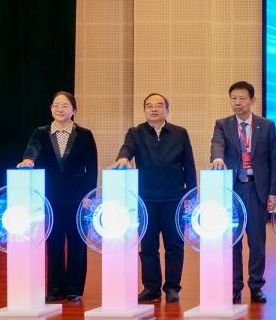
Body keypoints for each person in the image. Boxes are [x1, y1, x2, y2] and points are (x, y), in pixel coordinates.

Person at [113, 93, 197, 303]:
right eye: (149, 106)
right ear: (144, 111)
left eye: (159, 105)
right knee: (148, 246)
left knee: (174, 246)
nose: (154, 109)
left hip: (174, 198)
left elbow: (189, 166)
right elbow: (127, 149)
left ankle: (172, 288)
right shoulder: (135, 133)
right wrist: (122, 158)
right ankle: (151, 287)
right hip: (146, 199)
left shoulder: (179, 133)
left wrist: (191, 195)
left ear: (167, 110)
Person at [17, 91, 98, 303]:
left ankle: (74, 288)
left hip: (78, 198)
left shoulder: (85, 134)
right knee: (53, 243)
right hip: (50, 197)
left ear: (74, 110)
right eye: (55, 106)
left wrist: (90, 195)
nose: (59, 109)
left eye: (64, 106)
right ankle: (55, 288)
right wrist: (28, 159)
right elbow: (32, 148)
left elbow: (92, 167)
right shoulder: (41, 132)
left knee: (77, 243)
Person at [210, 81, 276, 305]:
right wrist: (217, 159)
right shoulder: (222, 124)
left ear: (252, 100)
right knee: (233, 240)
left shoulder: (266, 125)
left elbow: (274, 160)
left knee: (257, 241)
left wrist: (273, 192)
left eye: (242, 98)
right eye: (233, 98)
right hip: (232, 189)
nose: (237, 103)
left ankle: (256, 286)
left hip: (256, 189)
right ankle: (234, 286)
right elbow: (217, 145)